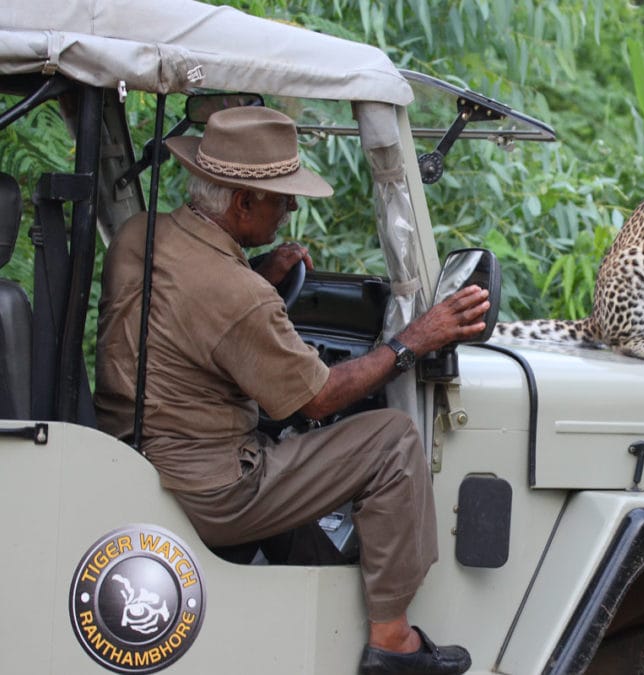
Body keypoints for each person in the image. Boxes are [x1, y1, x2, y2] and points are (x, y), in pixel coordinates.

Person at [94, 106, 485, 675]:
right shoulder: (237, 297)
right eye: (280, 197)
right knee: (393, 441)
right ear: (241, 202)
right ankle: (392, 641)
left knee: (292, 457)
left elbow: (187, 305)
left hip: (131, 453)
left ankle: (322, 597)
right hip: (212, 489)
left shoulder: (139, 236)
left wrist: (255, 268)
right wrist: (413, 340)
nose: (292, 207)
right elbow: (320, 397)